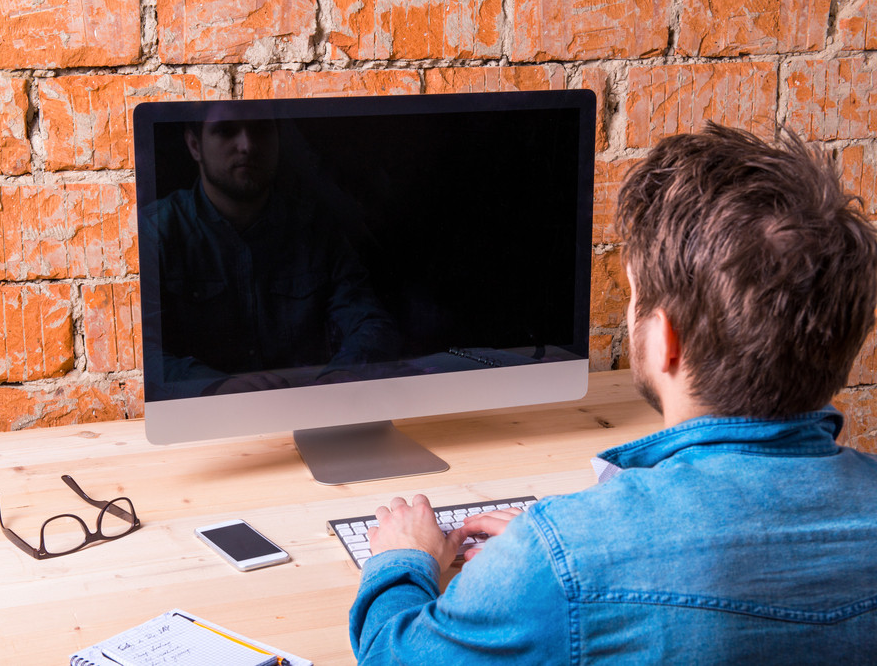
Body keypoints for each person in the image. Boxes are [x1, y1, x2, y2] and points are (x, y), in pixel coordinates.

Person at [349, 123, 877, 663]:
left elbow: (395, 655)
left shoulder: (564, 559)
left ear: (666, 339)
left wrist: (404, 562)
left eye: (635, 296)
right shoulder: (562, 554)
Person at [145, 114, 400, 397]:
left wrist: (346, 373)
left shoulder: (314, 225)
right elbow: (141, 352)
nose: (247, 146)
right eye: (226, 131)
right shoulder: (155, 231)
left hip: (308, 409)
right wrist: (214, 386)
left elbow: (368, 319)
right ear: (194, 145)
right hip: (202, 422)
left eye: (261, 129)